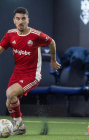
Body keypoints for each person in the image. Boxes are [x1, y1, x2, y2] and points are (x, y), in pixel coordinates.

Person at [0, 7, 61, 135]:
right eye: (18, 19)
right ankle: (19, 125)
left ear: (28, 20)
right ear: (14, 20)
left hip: (32, 75)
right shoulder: (10, 34)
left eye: (23, 18)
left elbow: (52, 42)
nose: (20, 21)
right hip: (17, 73)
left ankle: (19, 125)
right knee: (8, 103)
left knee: (10, 93)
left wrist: (53, 61)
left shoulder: (35, 35)